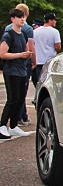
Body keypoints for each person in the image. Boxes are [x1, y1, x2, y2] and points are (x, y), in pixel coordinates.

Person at [0, 9, 33, 139]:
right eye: (19, 17)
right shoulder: (8, 35)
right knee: (12, 99)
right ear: (12, 19)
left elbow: (26, 49)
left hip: (22, 71)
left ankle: (13, 126)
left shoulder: (24, 34)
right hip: (11, 71)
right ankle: (2, 125)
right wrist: (20, 55)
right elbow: (2, 54)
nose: (22, 19)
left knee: (20, 100)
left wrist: (27, 55)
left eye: (23, 17)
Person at [32, 12, 62, 85]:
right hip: (49, 62)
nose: (55, 22)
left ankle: (37, 96)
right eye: (54, 20)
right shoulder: (55, 32)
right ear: (50, 20)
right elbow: (58, 47)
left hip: (38, 62)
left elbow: (32, 45)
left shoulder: (35, 32)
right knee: (49, 84)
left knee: (38, 84)